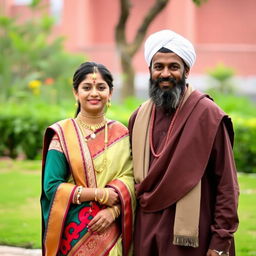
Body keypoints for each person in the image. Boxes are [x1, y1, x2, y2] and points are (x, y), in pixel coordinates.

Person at [128, 29, 239, 256]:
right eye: (159, 67)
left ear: (186, 70)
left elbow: (227, 184)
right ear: (150, 70)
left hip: (193, 238)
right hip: (146, 234)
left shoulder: (207, 115)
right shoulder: (138, 117)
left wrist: (220, 242)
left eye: (174, 67)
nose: (165, 74)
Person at [40, 62, 135, 256]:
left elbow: (132, 178)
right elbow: (52, 187)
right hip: (73, 235)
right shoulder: (63, 134)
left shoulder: (122, 133)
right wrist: (100, 194)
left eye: (101, 87)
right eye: (86, 87)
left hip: (112, 232)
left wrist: (113, 212)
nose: (94, 93)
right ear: (76, 93)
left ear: (110, 93)